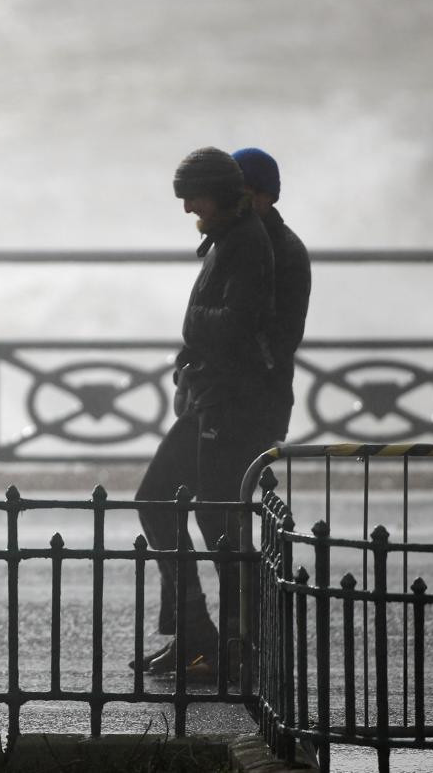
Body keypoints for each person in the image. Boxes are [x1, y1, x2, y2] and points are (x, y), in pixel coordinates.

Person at [130, 147, 280, 680]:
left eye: (193, 196)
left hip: (228, 403)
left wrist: (193, 326)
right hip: (211, 397)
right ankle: (202, 636)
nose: (188, 207)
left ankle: (229, 642)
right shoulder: (228, 239)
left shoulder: (243, 243)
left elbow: (239, 323)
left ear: (218, 193)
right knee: (170, 503)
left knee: (214, 517)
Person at [230, 147, 311, 441]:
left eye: (246, 192)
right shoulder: (233, 241)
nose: (237, 200)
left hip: (253, 403)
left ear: (268, 197)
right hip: (223, 400)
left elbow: (281, 339)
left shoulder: (284, 252)